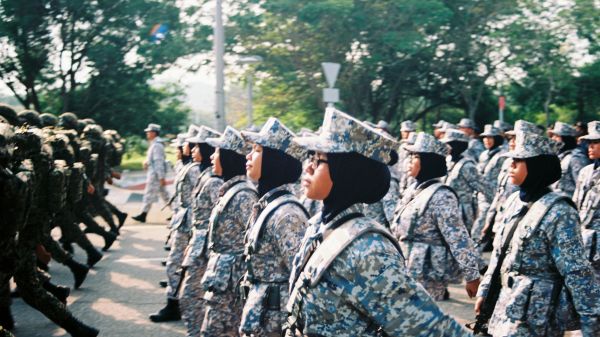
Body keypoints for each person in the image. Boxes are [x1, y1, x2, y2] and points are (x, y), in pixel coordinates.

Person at [284, 108, 472, 336]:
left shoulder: (366, 250)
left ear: (346, 171)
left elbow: (431, 328)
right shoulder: (319, 225)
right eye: (310, 157)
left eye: (318, 159)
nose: (309, 167)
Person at [475, 131, 600, 337]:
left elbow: (576, 271)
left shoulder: (560, 211)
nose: (510, 167)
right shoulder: (515, 201)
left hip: (537, 314)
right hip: (505, 305)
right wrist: (485, 291)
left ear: (536, 166)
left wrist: (591, 323)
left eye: (518, 161)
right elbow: (499, 254)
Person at [238, 118, 308, 337]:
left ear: (274, 160)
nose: (248, 156)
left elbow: (300, 279)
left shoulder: (287, 214)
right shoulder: (266, 204)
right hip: (262, 315)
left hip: (276, 322)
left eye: (257, 150)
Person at [392, 132, 481, 300]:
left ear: (428, 162)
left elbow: (458, 238)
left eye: (415, 157)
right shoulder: (413, 189)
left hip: (427, 272)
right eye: (410, 156)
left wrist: (472, 276)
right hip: (405, 265)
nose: (409, 161)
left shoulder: (442, 196)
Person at [199, 126, 258, 336]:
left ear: (229, 158)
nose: (213, 156)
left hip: (231, 288)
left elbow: (252, 245)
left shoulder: (244, 196)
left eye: (218, 152)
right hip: (221, 282)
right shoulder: (229, 190)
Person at [150, 128, 202, 323]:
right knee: (176, 262)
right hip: (184, 220)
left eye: (189, 144)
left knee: (180, 263)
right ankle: (174, 300)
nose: (183, 148)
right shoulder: (189, 166)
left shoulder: (196, 169)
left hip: (190, 223)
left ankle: (175, 304)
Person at [178, 126, 222, 337]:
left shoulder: (214, 181)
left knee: (194, 297)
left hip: (207, 250)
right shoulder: (204, 173)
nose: (192, 150)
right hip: (199, 243)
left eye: (197, 146)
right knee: (189, 297)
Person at [441, 129, 489, 232]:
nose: (446, 147)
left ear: (456, 145)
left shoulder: (467, 166)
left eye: (448, 144)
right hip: (446, 209)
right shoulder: (447, 161)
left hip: (462, 212)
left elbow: (485, 188)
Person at [573, 121, 600, 278]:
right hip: (582, 237)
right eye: (589, 143)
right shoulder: (585, 171)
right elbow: (576, 203)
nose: (590, 147)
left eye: (596, 142)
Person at [471, 125, 507, 243]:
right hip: (481, 196)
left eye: (490, 137)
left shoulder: (502, 156)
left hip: (493, 196)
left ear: (496, 139)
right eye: (485, 137)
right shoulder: (484, 154)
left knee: (481, 227)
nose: (486, 140)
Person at [132, 123, 170, 223]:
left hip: (155, 175)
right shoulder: (154, 144)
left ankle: (143, 214)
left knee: (149, 194)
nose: (147, 134)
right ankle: (177, 212)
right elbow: (154, 160)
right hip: (155, 174)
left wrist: (161, 177)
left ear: (154, 133)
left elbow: (158, 162)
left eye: (149, 132)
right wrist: (147, 162)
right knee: (165, 195)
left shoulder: (157, 145)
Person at [549, 122, 590, 196]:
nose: (553, 139)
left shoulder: (576, 157)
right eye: (553, 136)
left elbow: (582, 187)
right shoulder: (560, 156)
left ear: (565, 138)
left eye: (557, 136)